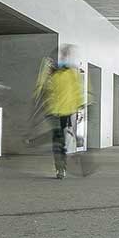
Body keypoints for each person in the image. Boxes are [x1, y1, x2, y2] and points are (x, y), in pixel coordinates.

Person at [36, 46, 87, 178]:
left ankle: (62, 164)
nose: (63, 58)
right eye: (61, 55)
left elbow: (77, 90)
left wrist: (80, 106)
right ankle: (60, 168)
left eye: (65, 55)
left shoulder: (72, 73)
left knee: (62, 140)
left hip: (67, 111)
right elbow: (42, 88)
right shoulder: (50, 73)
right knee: (58, 140)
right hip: (53, 110)